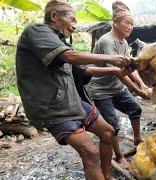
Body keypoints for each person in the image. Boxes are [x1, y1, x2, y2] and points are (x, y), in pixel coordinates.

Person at [15, 1, 131, 179]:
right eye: (72, 19)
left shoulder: (59, 42)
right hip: (53, 109)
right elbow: (69, 56)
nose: (75, 25)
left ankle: (107, 176)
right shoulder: (36, 31)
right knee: (90, 151)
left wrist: (115, 69)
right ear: (54, 16)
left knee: (108, 132)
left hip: (72, 103)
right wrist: (112, 58)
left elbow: (86, 70)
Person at [87, 1, 147, 170]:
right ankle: (119, 156)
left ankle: (137, 139)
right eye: (127, 23)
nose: (130, 27)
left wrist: (142, 85)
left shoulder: (124, 43)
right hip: (101, 91)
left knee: (136, 109)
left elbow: (129, 68)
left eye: (132, 24)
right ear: (115, 23)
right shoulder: (107, 41)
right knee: (112, 126)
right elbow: (117, 72)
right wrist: (136, 90)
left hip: (116, 88)